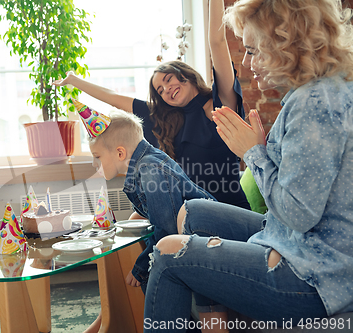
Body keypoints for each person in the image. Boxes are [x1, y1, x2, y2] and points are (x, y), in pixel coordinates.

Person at [143, 0, 353, 332]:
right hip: (295, 239)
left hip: (316, 274)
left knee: (168, 254)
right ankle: (217, 326)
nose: (246, 62)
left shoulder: (314, 104)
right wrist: (261, 152)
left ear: (285, 44)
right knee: (194, 210)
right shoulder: (312, 94)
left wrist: (253, 152)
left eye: (253, 50)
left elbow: (299, 214)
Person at [54, 0, 250, 211]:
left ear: (184, 74)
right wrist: (74, 80)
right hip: (186, 216)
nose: (165, 90)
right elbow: (113, 97)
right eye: (160, 90)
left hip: (230, 211)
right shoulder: (164, 119)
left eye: (167, 80)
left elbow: (217, 42)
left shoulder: (220, 102)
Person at [85, 108, 214, 293]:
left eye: (97, 156)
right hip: (189, 231)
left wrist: (141, 268)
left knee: (146, 279)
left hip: (204, 234)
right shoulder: (145, 164)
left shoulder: (150, 170)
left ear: (120, 153)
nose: (93, 163)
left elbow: (167, 228)